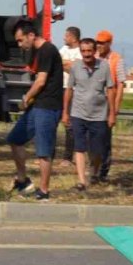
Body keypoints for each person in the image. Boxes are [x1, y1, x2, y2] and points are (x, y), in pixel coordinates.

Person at [7, 20, 64, 201]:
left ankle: (44, 191)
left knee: (43, 150)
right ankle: (22, 180)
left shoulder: (47, 50)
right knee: (15, 139)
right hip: (36, 106)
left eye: (20, 39)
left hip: (48, 106)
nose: (19, 44)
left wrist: (26, 98)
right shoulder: (36, 52)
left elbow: (40, 82)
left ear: (31, 35)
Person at [61, 37, 115, 191]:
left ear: (95, 51)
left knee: (97, 150)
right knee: (79, 148)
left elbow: (110, 89)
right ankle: (81, 181)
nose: (86, 54)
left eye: (89, 51)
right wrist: (65, 112)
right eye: (83, 51)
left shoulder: (104, 66)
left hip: (99, 115)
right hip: (78, 113)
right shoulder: (76, 67)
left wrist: (112, 113)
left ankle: (94, 172)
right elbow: (69, 89)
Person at [95, 29, 126, 181]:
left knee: (105, 138)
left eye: (102, 43)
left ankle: (103, 171)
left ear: (109, 43)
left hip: (108, 103)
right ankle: (94, 168)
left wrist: (116, 106)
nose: (99, 45)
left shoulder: (116, 59)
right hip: (94, 103)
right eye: (98, 42)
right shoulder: (93, 57)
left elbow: (120, 84)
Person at [57, 26, 83, 167]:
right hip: (60, 88)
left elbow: (76, 68)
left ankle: (67, 157)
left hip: (73, 90)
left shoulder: (81, 52)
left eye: (66, 36)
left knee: (69, 124)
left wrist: (66, 64)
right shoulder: (63, 49)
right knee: (54, 120)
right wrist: (68, 64)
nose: (64, 38)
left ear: (73, 38)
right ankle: (48, 155)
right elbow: (57, 62)